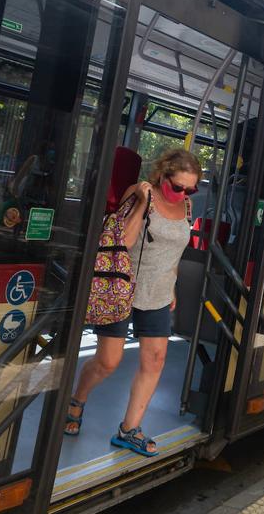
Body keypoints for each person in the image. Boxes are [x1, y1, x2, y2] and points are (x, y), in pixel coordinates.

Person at [65, 148, 201, 457]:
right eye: (176, 186)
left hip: (159, 295)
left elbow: (176, 251)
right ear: (162, 175)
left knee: (154, 362)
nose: (181, 194)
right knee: (107, 363)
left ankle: (128, 429)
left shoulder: (188, 206)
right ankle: (77, 399)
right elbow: (123, 241)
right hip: (122, 290)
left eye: (189, 189)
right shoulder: (140, 193)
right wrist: (142, 202)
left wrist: (174, 285)